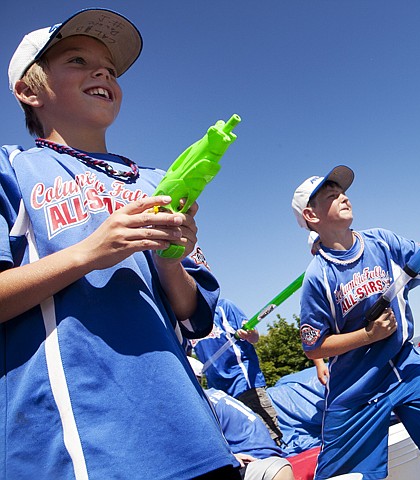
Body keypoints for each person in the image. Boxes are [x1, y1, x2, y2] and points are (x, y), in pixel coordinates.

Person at [0, 9, 241, 478]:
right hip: (80, 450)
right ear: (30, 91)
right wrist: (90, 251)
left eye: (110, 69)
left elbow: (195, 317)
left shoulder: (157, 181)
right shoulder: (10, 171)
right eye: (76, 60)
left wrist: (171, 260)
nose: (102, 73)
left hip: (194, 439)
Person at [291, 165, 420, 480]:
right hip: (356, 385)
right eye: (332, 195)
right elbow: (314, 347)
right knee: (338, 475)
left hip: (405, 363)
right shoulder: (318, 277)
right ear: (312, 216)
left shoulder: (381, 242)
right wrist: (367, 335)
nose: (343, 197)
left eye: (343, 192)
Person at [194, 298, 284, 445]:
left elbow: (254, 337)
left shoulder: (223, 307)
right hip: (217, 387)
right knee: (238, 436)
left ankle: (277, 453)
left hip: (242, 380)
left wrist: (250, 333)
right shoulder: (188, 323)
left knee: (268, 432)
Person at [187, 357, 294, 480]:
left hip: (252, 458)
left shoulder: (199, 404)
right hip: (267, 456)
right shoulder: (213, 395)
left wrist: (227, 457)